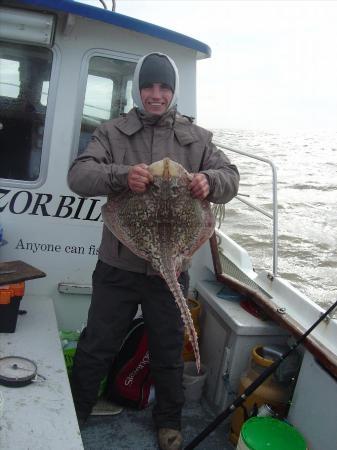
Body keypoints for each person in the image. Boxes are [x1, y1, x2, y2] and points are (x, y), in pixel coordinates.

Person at [67, 52, 239, 450]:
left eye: (164, 87)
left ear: (173, 91)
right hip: (119, 263)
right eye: (148, 86)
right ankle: (76, 409)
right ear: (137, 88)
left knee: (165, 347)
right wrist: (122, 175)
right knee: (97, 343)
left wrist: (208, 182)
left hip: (172, 266)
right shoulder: (112, 132)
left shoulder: (198, 139)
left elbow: (231, 178)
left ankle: (168, 421)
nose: (156, 94)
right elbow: (79, 174)